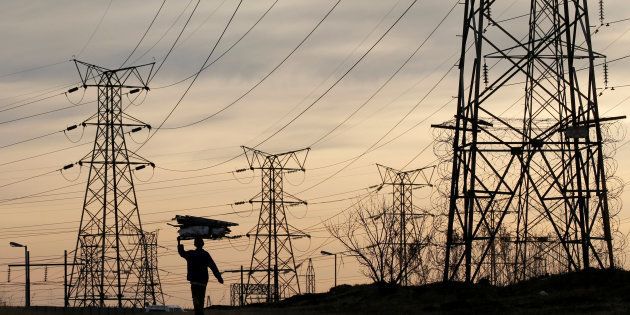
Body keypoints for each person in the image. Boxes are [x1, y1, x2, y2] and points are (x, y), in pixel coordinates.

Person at [178, 237, 224, 315]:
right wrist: (219, 277)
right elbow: (213, 266)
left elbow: (182, 253)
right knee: (201, 299)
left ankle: (198, 313)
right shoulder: (205, 254)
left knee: (195, 300)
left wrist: (179, 242)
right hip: (202, 281)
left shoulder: (191, 254)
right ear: (203, 244)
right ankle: (200, 313)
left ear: (195, 244)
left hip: (194, 281)